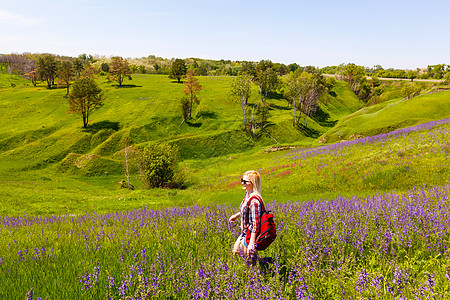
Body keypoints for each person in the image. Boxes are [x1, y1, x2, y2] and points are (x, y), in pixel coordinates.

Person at [229, 170, 263, 259]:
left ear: (253, 183)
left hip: (250, 235)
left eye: (245, 181)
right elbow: (246, 210)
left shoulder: (254, 201)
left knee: (249, 261)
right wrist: (236, 216)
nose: (242, 183)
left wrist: (252, 243)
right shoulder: (247, 195)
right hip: (244, 233)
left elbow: (255, 224)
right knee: (237, 252)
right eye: (242, 180)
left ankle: (267, 265)